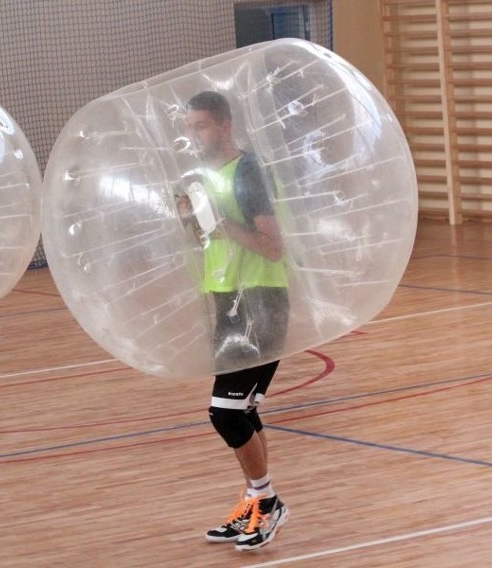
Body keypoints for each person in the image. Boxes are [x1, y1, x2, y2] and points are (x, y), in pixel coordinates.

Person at [178, 91, 290, 551]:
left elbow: (272, 246)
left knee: (223, 413)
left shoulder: (248, 172)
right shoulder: (205, 176)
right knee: (241, 409)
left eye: (201, 127)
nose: (194, 136)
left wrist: (222, 223)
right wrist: (190, 218)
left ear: (224, 126)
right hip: (227, 301)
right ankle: (255, 502)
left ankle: (267, 502)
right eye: (189, 128)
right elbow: (210, 242)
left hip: (260, 301)